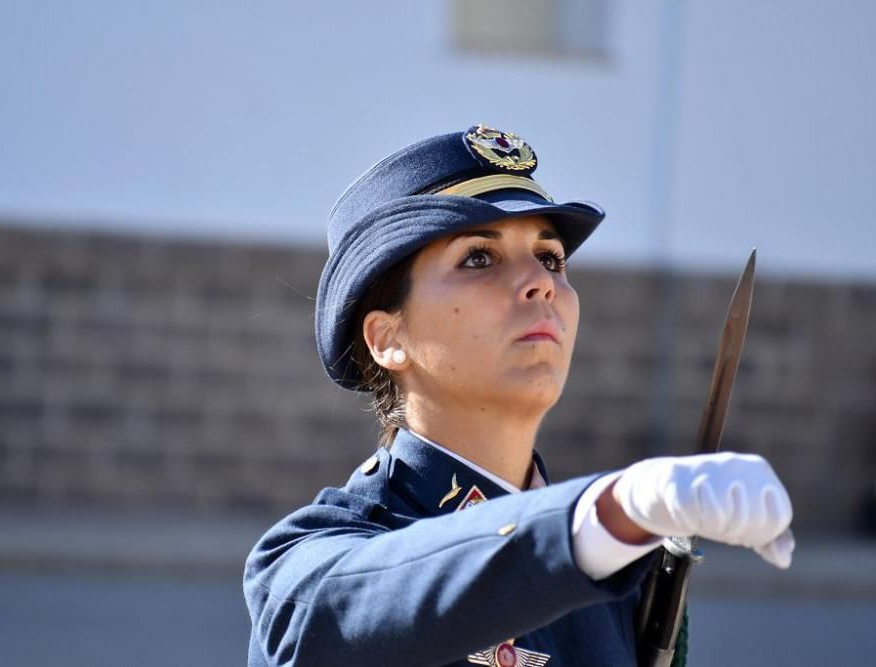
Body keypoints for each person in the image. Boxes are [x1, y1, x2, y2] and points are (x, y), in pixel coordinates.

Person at [242, 125, 794, 666]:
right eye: (479, 257)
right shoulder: (311, 558)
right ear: (388, 338)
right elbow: (331, 615)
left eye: (551, 258)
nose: (542, 281)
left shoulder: (621, 573)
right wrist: (604, 516)